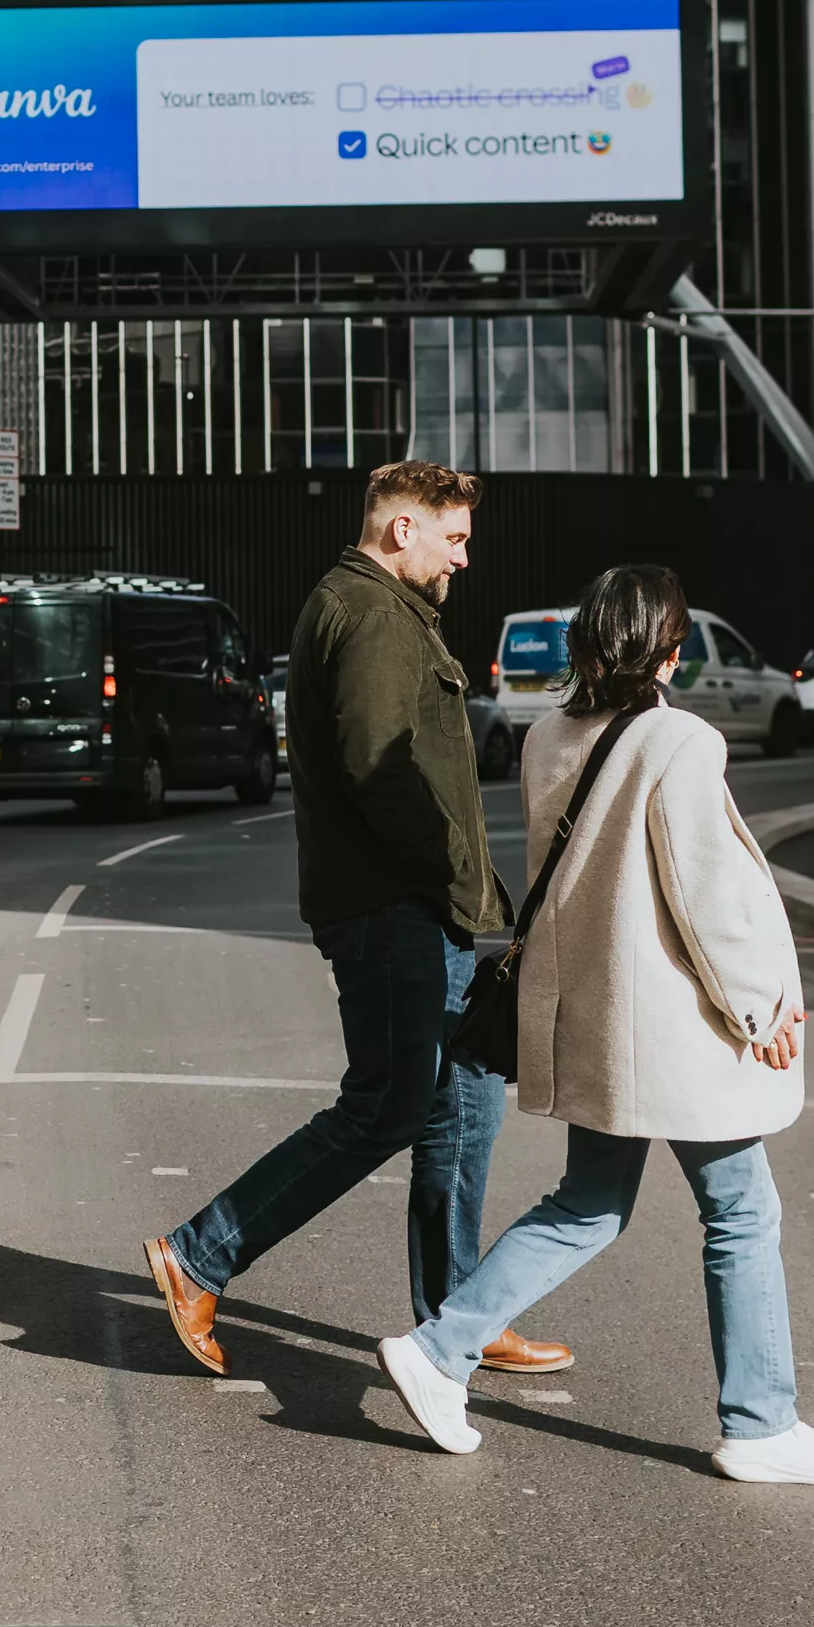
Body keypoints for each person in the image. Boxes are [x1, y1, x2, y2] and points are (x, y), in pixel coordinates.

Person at [376, 564, 814, 1485]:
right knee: (743, 1210)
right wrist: (756, 1011)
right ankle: (761, 1425)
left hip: (599, 1018)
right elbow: (704, 897)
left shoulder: (548, 735)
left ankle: (441, 1352)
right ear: (671, 650)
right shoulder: (678, 741)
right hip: (677, 1028)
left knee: (590, 1204)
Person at [143, 461, 569, 1381]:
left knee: (466, 1105)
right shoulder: (374, 615)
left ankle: (457, 1318)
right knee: (389, 1106)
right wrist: (459, 877)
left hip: (416, 904)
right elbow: (383, 774)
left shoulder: (377, 606)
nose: (465, 559)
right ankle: (200, 1254)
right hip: (393, 907)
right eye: (453, 538)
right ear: (400, 531)